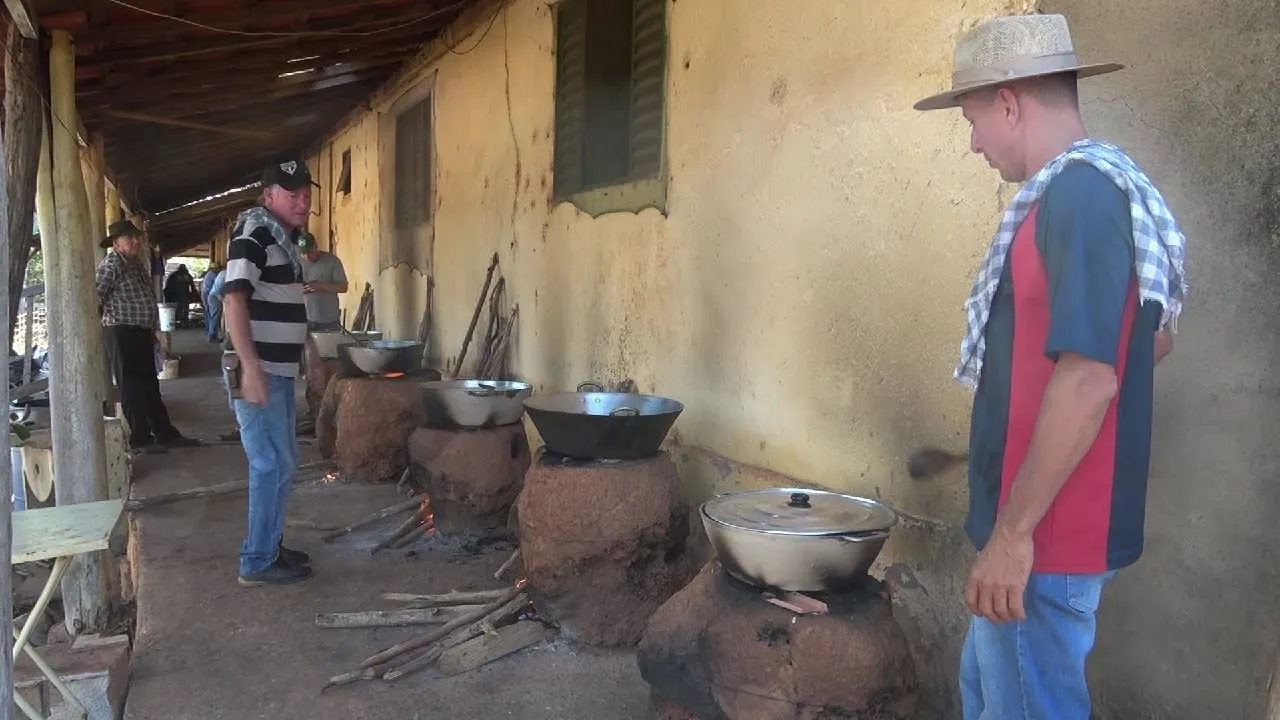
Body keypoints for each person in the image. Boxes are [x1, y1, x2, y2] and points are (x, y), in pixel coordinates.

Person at [912, 13, 1187, 719]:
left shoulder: (1081, 197)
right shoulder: (1077, 196)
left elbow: (1090, 377)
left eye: (973, 120)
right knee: (990, 697)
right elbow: (1148, 343)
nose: (973, 142)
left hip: (1043, 542)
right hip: (1035, 532)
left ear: (1009, 103)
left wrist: (1012, 537)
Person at [222, 155, 325, 587]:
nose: (302, 203)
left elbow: (288, 303)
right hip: (260, 368)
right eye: (292, 195)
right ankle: (257, 561)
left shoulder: (283, 239)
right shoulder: (253, 234)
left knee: (283, 463)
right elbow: (233, 300)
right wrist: (250, 368)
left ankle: (269, 545)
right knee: (268, 464)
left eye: (306, 195)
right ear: (268, 195)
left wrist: (310, 352)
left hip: (278, 369)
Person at [94, 220, 201, 454]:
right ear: (116, 243)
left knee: (149, 384)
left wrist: (151, 331)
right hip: (122, 331)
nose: (135, 241)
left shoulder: (135, 263)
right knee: (131, 387)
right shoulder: (112, 264)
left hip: (139, 331)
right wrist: (109, 319)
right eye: (129, 238)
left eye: (137, 237)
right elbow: (95, 296)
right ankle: (140, 438)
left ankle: (164, 433)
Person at [298, 232, 348, 332]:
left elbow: (343, 287)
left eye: (309, 252)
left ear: (316, 247)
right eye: (303, 253)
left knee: (330, 343)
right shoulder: (296, 262)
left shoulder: (332, 261)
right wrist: (298, 289)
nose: (306, 257)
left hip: (329, 321)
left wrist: (321, 286)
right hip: (302, 320)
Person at [201, 263, 224, 343]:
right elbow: (217, 290)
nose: (218, 270)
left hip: (209, 294)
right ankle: (211, 334)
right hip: (209, 294)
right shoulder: (213, 275)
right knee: (213, 315)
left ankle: (209, 331)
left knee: (210, 314)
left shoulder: (212, 274)